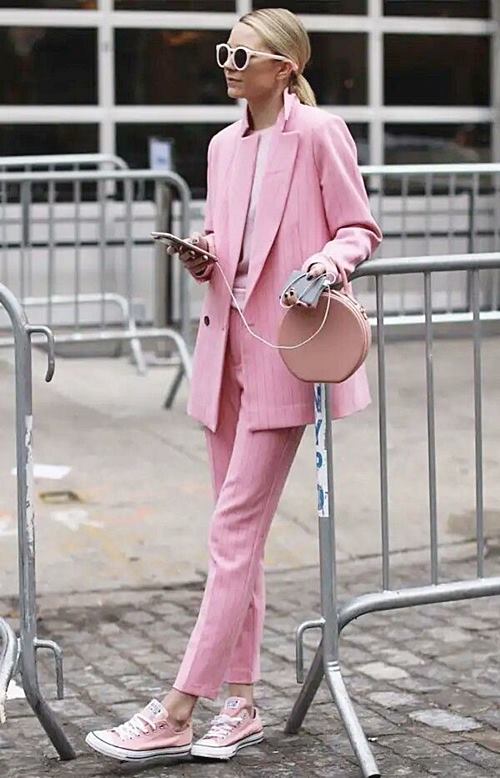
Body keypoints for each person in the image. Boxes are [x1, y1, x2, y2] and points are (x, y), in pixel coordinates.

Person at [85, 7, 382, 766]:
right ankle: (241, 704)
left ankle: (178, 708)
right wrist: (204, 252)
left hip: (287, 353)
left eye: (241, 54)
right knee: (236, 539)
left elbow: (359, 229)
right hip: (225, 353)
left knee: (232, 533)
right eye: (225, 50)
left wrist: (328, 263)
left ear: (284, 67)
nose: (227, 63)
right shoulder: (223, 146)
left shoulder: (320, 133)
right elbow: (231, 237)